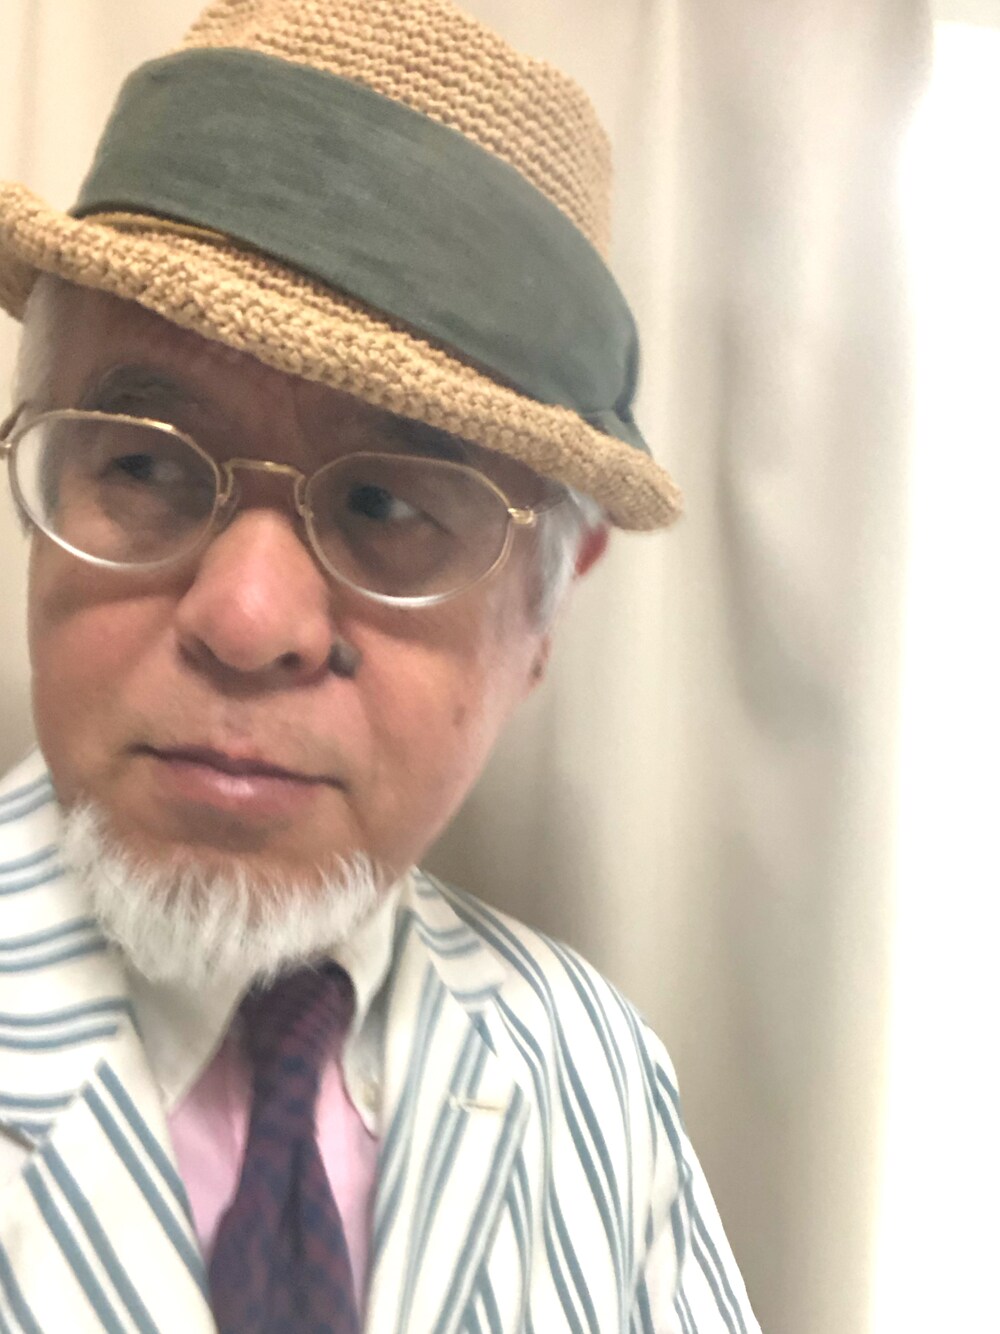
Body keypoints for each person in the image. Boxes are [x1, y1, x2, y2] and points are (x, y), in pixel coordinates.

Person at [0, 1, 759, 1330]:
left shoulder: (596, 1071)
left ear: (545, 611)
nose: (247, 618)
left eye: (389, 505)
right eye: (146, 464)